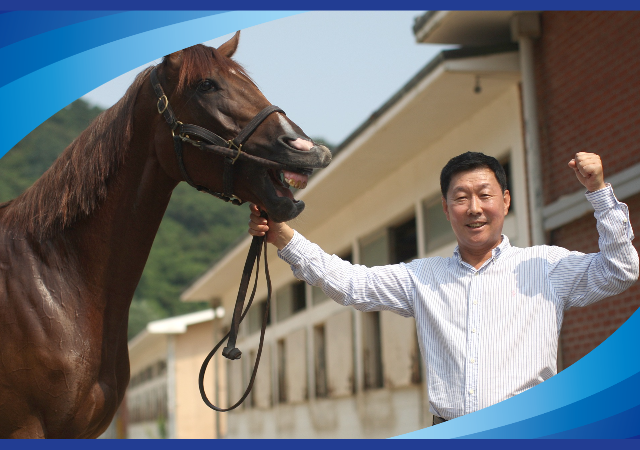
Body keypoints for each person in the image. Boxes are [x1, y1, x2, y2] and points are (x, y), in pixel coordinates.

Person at [248, 151, 638, 424]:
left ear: (504, 201)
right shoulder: (422, 277)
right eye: (461, 197)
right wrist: (284, 236)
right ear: (446, 208)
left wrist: (599, 193)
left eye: (484, 195)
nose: (474, 208)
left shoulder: (546, 265)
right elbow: (353, 284)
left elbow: (621, 270)